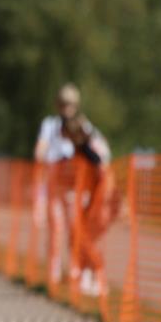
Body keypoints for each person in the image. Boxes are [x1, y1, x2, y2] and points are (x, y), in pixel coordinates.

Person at [60, 112, 114, 297]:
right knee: (78, 237)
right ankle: (84, 276)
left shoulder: (90, 149)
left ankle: (98, 277)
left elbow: (102, 174)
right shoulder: (80, 150)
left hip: (101, 200)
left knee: (85, 239)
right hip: (92, 199)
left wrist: (98, 200)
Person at [33, 84, 81, 284]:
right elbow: (41, 149)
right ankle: (53, 270)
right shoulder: (50, 125)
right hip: (54, 182)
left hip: (74, 185)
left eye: (69, 104)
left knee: (74, 228)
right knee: (56, 227)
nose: (66, 107)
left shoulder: (82, 125)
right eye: (63, 103)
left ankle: (74, 270)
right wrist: (44, 156)